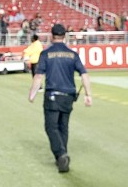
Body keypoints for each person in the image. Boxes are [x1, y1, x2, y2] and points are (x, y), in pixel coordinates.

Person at [29, 23, 92, 173]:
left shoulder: (46, 54)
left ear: (52, 36)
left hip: (52, 95)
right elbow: (84, 75)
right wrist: (88, 95)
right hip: (68, 96)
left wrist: (32, 93)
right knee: (63, 126)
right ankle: (62, 157)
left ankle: (61, 154)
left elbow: (38, 76)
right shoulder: (72, 54)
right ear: (65, 36)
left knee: (51, 127)